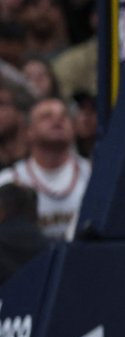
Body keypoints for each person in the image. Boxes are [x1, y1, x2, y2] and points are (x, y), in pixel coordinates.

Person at [0, 97, 92, 241]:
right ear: (28, 131)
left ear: (73, 128)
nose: (57, 120)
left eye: (64, 116)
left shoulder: (93, 175)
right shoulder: (9, 180)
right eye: (46, 117)